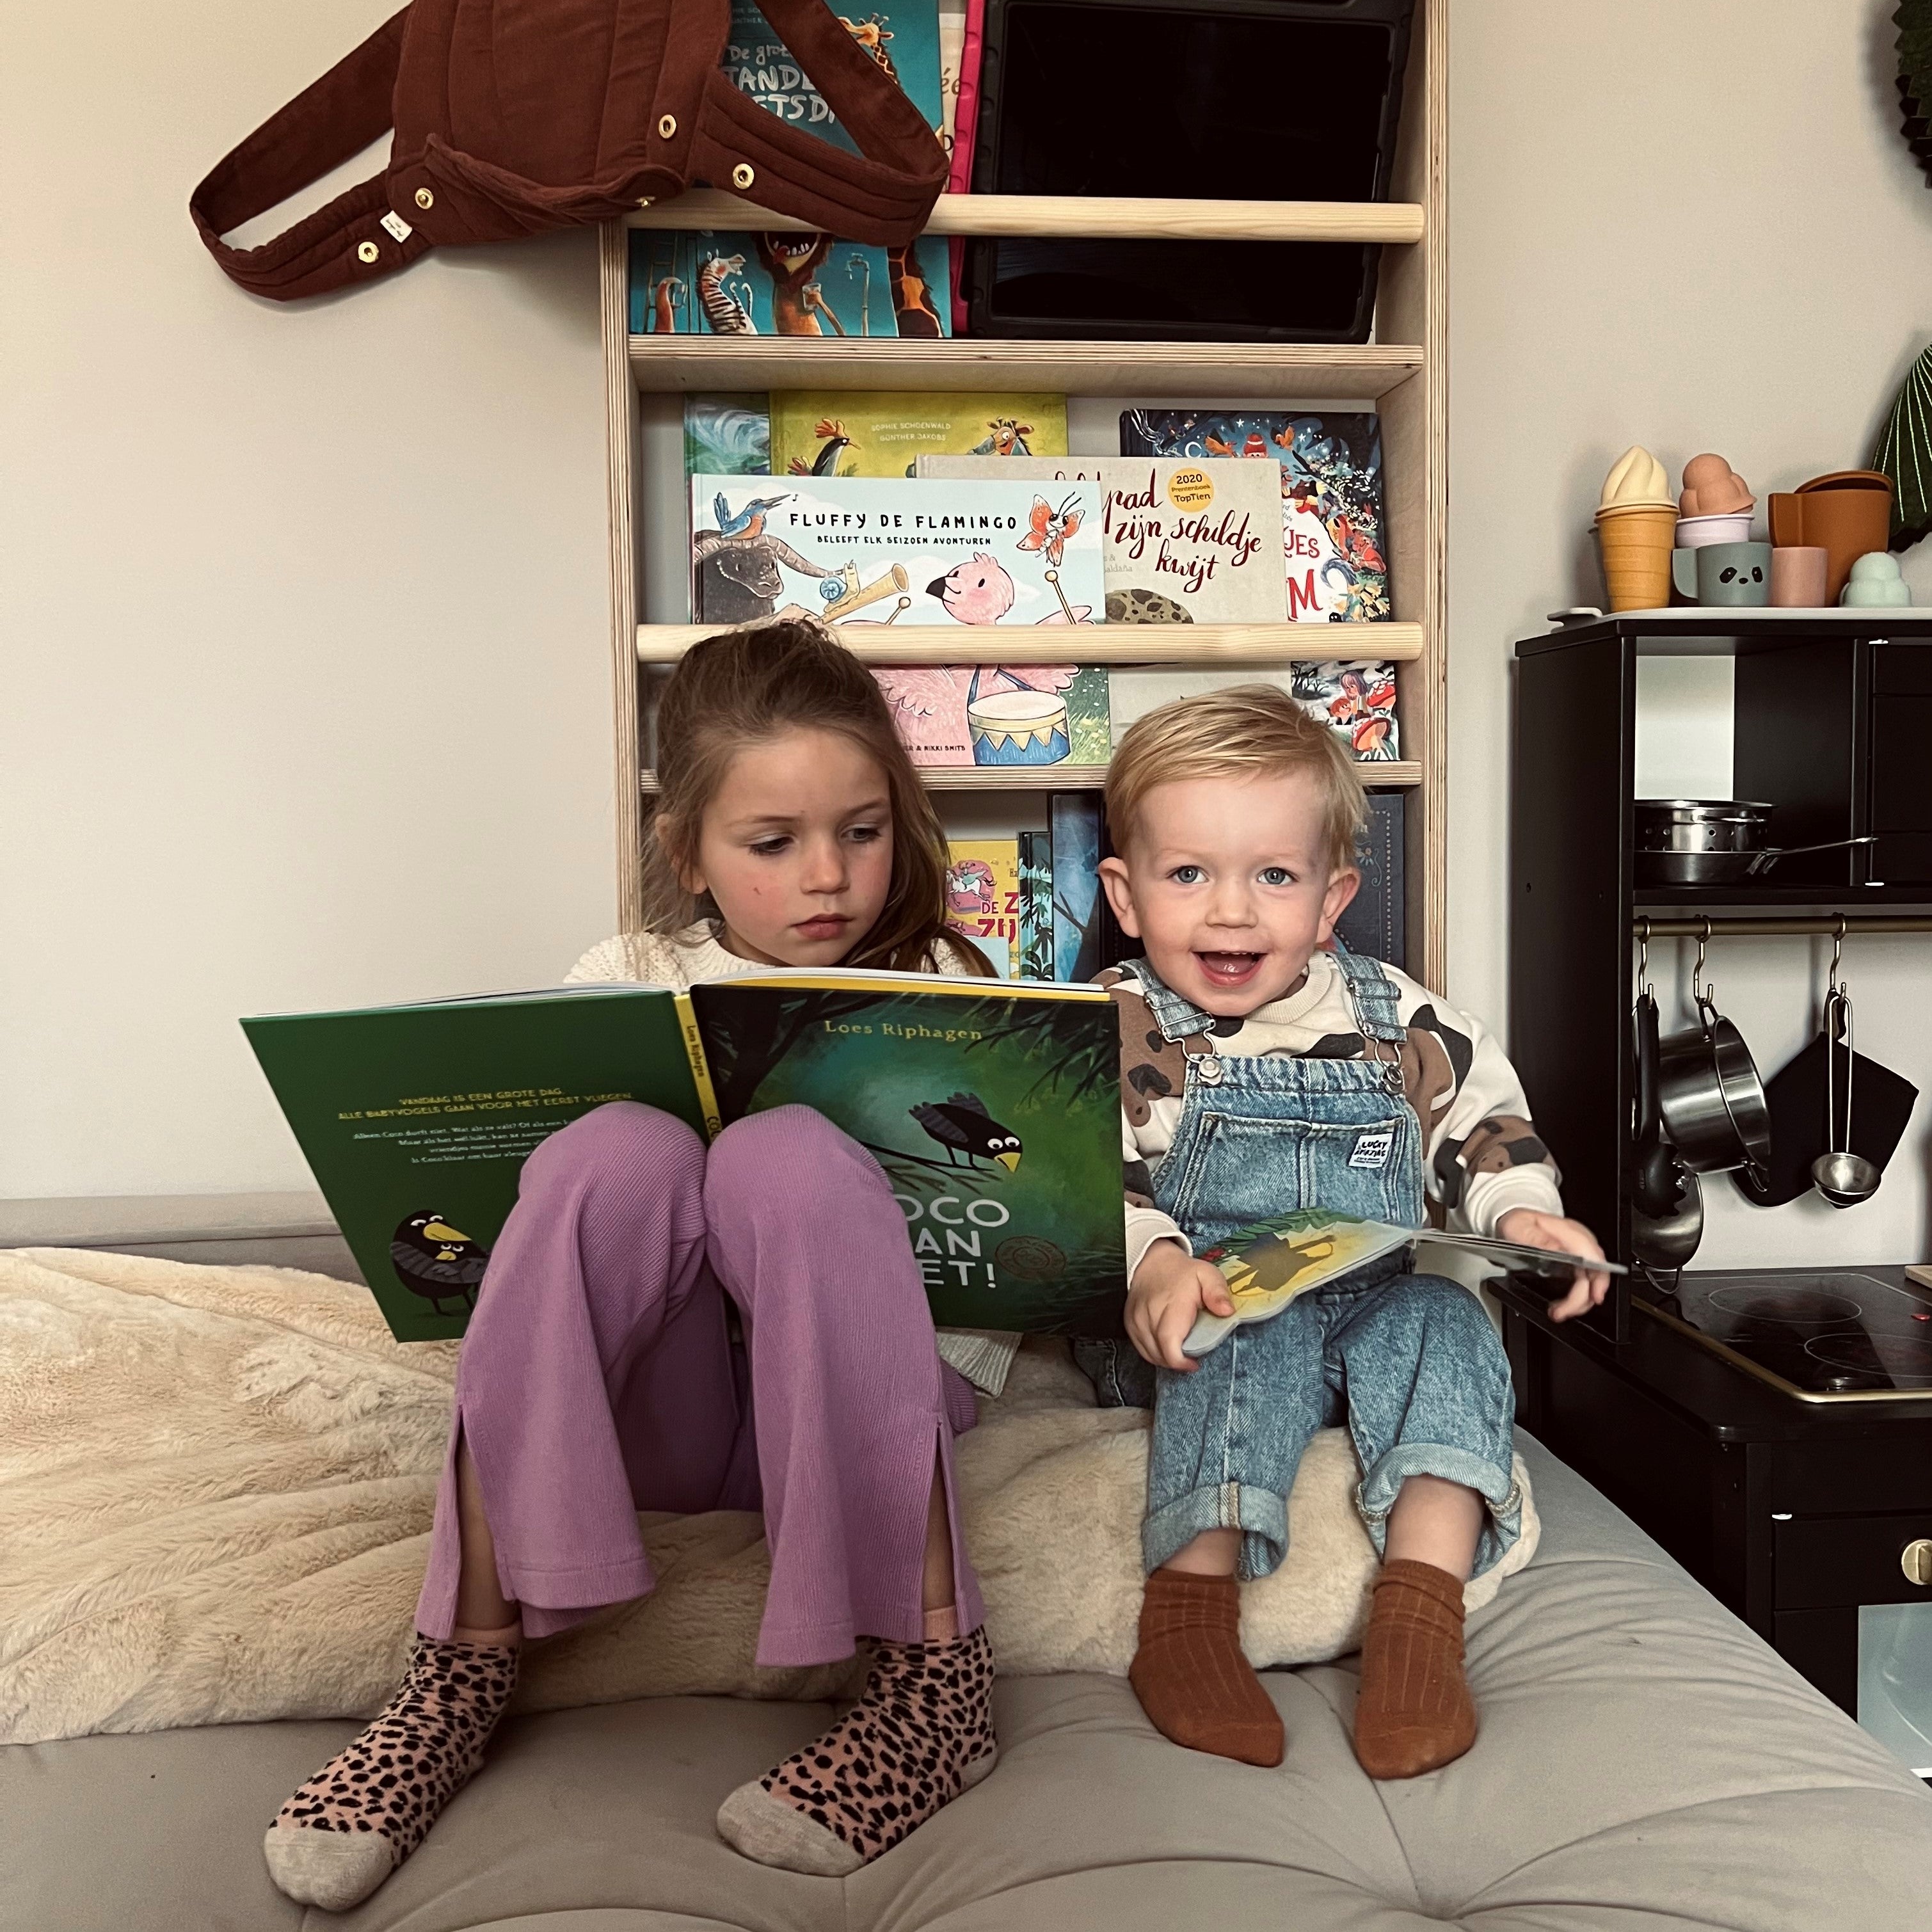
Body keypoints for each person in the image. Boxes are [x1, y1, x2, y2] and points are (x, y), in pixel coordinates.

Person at [264, 623, 1000, 1910]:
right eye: (771, 842)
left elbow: (1027, 1237)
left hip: (872, 1411)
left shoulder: (947, 982)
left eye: (863, 830)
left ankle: (940, 1686)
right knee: (617, 1149)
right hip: (658, 1416)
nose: (828, 875)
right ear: (687, 851)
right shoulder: (627, 975)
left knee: (784, 1158)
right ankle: (460, 1670)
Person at [1092, 687, 1607, 1780]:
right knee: (1241, 1321)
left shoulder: (1400, 1020)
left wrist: (1523, 1212)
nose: (1232, 914)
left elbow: (1483, 1129)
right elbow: (1093, 1180)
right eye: (1188, 875)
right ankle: (1190, 1607)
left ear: (1332, 899)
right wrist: (1156, 1262)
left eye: (1274, 877)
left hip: (1369, 1307)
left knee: (1449, 1317)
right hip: (1206, 1314)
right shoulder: (1118, 1028)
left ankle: (1420, 1619)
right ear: (1126, 897)